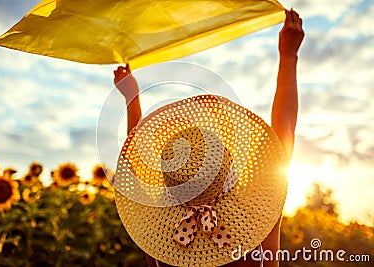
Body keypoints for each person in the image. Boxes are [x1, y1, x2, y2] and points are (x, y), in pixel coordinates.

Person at [113, 9, 304, 267]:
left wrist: (132, 99)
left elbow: (134, 169)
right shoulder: (256, 223)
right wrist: (288, 55)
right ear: (227, 163)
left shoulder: (159, 246)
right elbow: (284, 132)